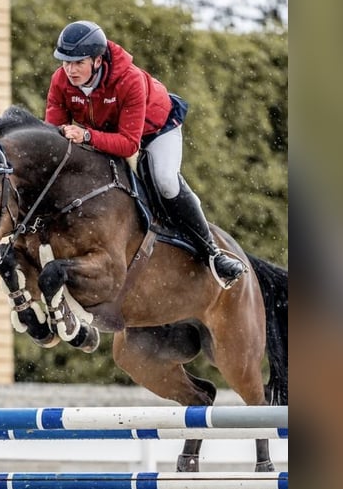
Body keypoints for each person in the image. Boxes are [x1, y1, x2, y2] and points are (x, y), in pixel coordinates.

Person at [45, 20, 246, 289]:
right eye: (65, 62)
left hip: (157, 130)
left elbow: (129, 145)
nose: (70, 70)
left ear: (96, 60)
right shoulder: (61, 81)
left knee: (163, 180)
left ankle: (212, 252)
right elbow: (53, 134)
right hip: (107, 133)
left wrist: (87, 136)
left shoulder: (129, 80)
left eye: (78, 62)